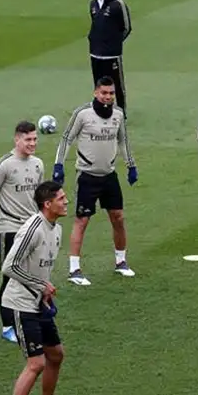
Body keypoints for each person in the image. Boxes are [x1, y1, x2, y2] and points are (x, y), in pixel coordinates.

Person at [0, 181, 73, 395]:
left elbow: (40, 267)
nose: (66, 201)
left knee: (56, 355)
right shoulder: (33, 228)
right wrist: (40, 285)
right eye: (61, 198)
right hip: (20, 304)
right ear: (47, 204)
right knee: (36, 363)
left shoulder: (56, 229)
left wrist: (44, 290)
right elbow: (9, 266)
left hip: (38, 303)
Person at [53, 76, 138, 286]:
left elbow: (123, 140)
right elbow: (66, 138)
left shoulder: (118, 114)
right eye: (104, 93)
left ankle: (121, 262)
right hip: (87, 176)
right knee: (82, 220)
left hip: (109, 175)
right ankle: (74, 269)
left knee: (118, 218)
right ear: (95, 92)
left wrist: (131, 165)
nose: (108, 97)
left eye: (111, 93)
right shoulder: (82, 114)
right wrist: (58, 165)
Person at [0, 121, 45, 343]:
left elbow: (39, 198)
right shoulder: (4, 165)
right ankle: (8, 325)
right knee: (10, 275)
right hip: (9, 227)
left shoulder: (38, 164)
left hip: (32, 227)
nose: (32, 143)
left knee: (34, 272)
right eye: (28, 139)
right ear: (17, 139)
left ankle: (30, 315)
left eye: (35, 139)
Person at [88, 0, 132, 116]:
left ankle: (121, 111)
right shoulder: (93, 4)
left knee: (116, 83)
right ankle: (100, 109)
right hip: (95, 52)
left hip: (112, 54)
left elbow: (126, 27)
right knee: (98, 82)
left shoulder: (118, 4)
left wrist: (114, 42)